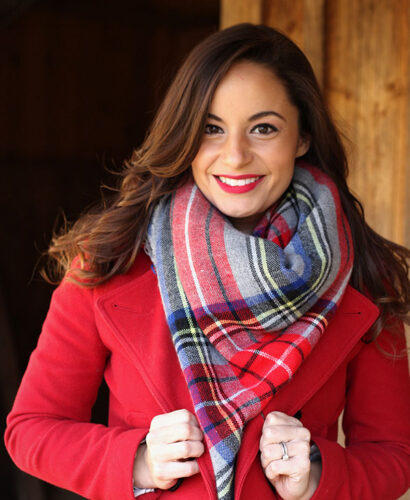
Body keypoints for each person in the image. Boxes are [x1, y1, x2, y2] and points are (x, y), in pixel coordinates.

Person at [4, 23, 410, 500]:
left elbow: (394, 454)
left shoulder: (362, 272)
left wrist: (320, 474)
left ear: (302, 136)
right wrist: (137, 460)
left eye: (263, 128)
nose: (234, 156)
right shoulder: (110, 259)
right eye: (211, 129)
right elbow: (30, 429)